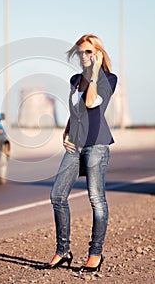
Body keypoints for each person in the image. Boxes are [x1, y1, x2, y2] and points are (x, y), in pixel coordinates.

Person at [44, 34, 117, 272]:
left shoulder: (108, 79)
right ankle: (63, 250)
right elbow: (76, 110)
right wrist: (66, 131)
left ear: (98, 53)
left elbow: (90, 103)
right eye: (81, 52)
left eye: (88, 52)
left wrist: (94, 73)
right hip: (75, 144)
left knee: (96, 199)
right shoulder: (75, 79)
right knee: (57, 195)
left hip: (97, 144)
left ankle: (95, 253)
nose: (83, 56)